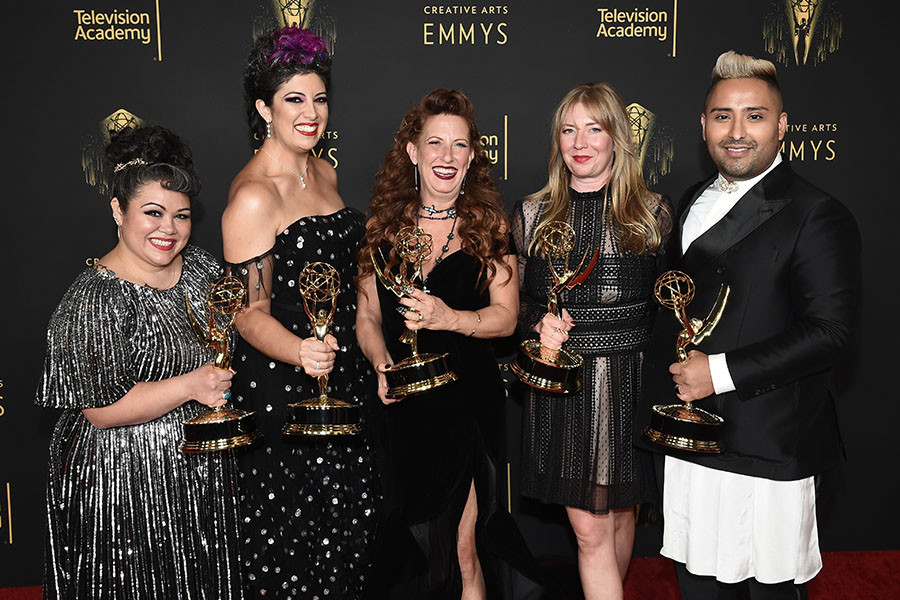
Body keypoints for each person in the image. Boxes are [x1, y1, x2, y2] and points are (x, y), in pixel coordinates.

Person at [635, 51, 861, 599]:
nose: (736, 132)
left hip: (770, 444)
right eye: (721, 116)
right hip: (692, 439)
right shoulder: (690, 199)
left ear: (782, 126)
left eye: (754, 116)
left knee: (768, 590)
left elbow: (831, 331)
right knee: (697, 585)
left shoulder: (816, 212)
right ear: (703, 125)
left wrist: (718, 371)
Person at [36, 126, 242, 599]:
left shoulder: (205, 271)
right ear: (117, 210)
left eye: (181, 216)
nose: (168, 229)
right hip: (120, 483)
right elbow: (100, 411)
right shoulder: (92, 301)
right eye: (153, 213)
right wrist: (191, 386)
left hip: (198, 474)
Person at [356, 88, 539, 599]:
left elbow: (505, 321)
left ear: (472, 156)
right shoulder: (383, 228)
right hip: (403, 408)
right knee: (412, 547)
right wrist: (380, 363)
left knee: (462, 546)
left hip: (466, 406)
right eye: (435, 143)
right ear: (413, 152)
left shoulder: (488, 226)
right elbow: (367, 315)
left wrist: (448, 316)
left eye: (459, 145)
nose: (447, 157)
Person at [222, 26, 378, 599]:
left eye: (318, 97)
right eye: (293, 99)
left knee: (348, 536)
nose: (310, 113)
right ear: (264, 107)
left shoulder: (323, 172)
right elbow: (248, 311)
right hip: (285, 389)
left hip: (342, 376)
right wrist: (299, 351)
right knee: (297, 546)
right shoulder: (254, 197)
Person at [511, 82, 670, 600]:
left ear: (616, 138)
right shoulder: (531, 215)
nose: (580, 142)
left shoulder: (652, 214)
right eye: (568, 130)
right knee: (590, 530)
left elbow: (667, 311)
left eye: (594, 128)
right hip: (565, 392)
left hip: (629, 389)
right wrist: (540, 324)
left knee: (622, 516)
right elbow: (517, 308)